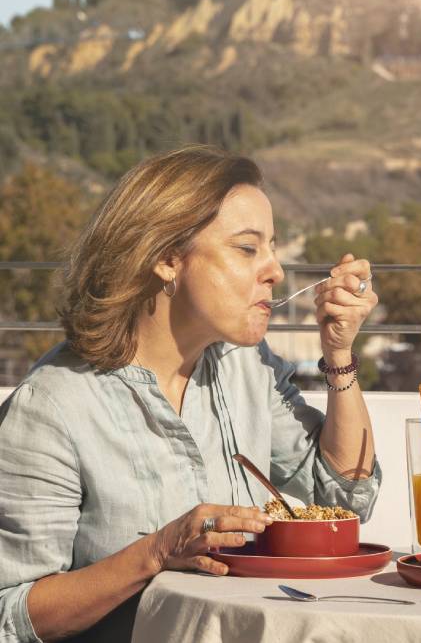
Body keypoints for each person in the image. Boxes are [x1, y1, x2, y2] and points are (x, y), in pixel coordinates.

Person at [0, 146, 381, 642]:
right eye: (247, 248)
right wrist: (156, 552)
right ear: (166, 258)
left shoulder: (245, 365)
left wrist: (339, 351)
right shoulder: (53, 407)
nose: (275, 271)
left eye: (272, 247)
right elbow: (11, 614)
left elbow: (345, 492)